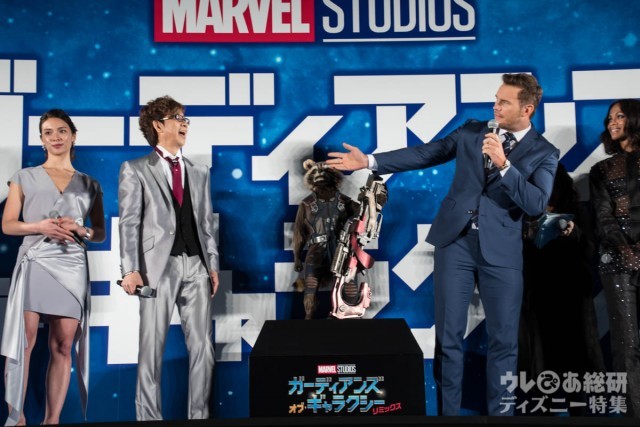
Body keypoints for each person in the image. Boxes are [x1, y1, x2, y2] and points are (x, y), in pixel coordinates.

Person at [326, 73, 559, 416]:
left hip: (502, 252)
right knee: (449, 338)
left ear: (527, 109)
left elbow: (536, 204)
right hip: (456, 242)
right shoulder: (472, 131)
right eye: (496, 99)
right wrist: (370, 162)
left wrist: (504, 165)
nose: (495, 106)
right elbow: (427, 153)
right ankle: (448, 416)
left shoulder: (544, 152)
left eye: (504, 102)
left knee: (504, 341)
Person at [1, 109, 105, 425]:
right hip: (34, 260)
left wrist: (81, 229)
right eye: (48, 132)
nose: (55, 137)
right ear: (42, 140)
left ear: (73, 136)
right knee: (24, 341)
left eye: (61, 131)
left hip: (71, 264)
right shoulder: (24, 176)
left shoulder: (89, 184)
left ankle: (52, 421)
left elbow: (99, 233)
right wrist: (39, 226)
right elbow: (8, 224)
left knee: (63, 345)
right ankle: (17, 419)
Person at [118, 95, 220, 421]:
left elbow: (206, 224)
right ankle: (149, 418)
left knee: (204, 349)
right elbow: (129, 223)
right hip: (156, 269)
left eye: (186, 119)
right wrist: (130, 269)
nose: (185, 124)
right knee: (151, 348)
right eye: (178, 118)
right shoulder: (135, 169)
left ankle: (199, 417)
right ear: (158, 125)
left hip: (197, 265)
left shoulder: (199, 171)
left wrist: (212, 265)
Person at [518, 163, 605, 415]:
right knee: (541, 370)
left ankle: (579, 413)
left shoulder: (577, 211)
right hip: (538, 299)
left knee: (575, 368)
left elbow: (590, 251)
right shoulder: (523, 214)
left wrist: (573, 231)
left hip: (571, 300)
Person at [589, 98, 640, 417]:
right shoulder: (602, 170)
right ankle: (633, 416)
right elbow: (603, 216)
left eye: (620, 116)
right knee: (625, 344)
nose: (612, 122)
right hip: (618, 262)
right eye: (609, 118)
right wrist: (626, 250)